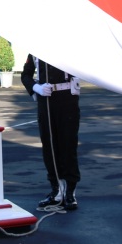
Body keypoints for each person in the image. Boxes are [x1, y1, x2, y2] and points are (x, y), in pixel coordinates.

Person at [21, 54, 81, 211]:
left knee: (68, 145)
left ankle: (70, 191)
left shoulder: (67, 46)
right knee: (49, 146)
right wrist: (36, 88)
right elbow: (25, 75)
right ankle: (57, 190)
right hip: (46, 100)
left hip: (67, 100)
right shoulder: (35, 50)